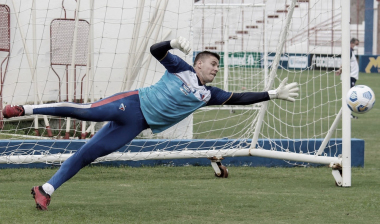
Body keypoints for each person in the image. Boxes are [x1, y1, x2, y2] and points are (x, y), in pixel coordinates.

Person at [2, 36, 299, 211]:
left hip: (136, 125)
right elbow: (156, 52)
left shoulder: (210, 95)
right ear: (198, 63)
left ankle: (45, 191)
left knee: (88, 155)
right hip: (131, 103)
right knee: (84, 111)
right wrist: (172, 43)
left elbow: (240, 97)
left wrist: (271, 93)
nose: (216, 69)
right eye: (212, 64)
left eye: (218, 67)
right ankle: (23, 108)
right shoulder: (181, 68)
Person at [336, 37, 360, 119]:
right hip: (350, 77)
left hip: (352, 76)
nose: (356, 46)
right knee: (350, 96)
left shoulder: (351, 51)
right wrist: (340, 70)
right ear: (352, 43)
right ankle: (348, 113)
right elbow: (345, 62)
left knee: (349, 95)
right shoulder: (349, 51)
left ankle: (347, 112)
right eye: (356, 44)